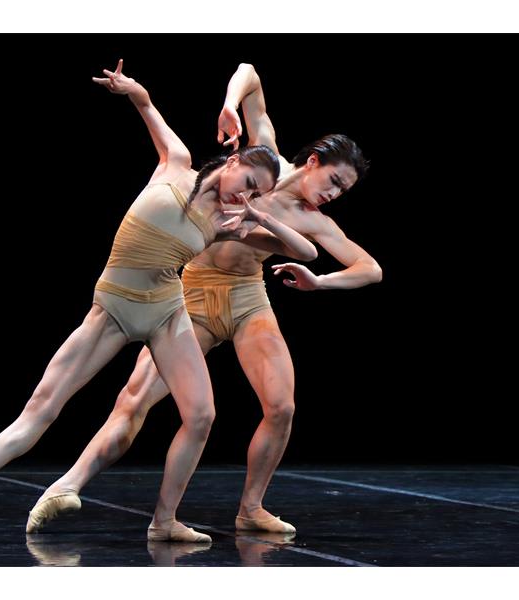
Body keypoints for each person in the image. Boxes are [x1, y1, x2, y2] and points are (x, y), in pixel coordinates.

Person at [0, 60, 317, 542]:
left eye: (257, 194)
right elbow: (146, 105)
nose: (245, 197)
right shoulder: (175, 163)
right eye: (248, 185)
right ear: (233, 162)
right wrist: (130, 87)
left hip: (167, 312)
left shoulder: (229, 223)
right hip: (114, 308)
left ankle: (164, 522)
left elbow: (306, 252)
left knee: (201, 415)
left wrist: (262, 216)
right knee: (42, 409)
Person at [27, 63, 382, 536]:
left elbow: (370, 269)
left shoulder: (314, 220)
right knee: (134, 399)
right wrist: (230, 105)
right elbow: (249, 72)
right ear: (314, 161)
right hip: (192, 293)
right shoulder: (267, 158)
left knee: (282, 407)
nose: (335, 195)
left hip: (248, 300)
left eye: (344, 191)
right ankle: (67, 484)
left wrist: (319, 283)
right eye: (335, 182)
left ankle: (250, 508)